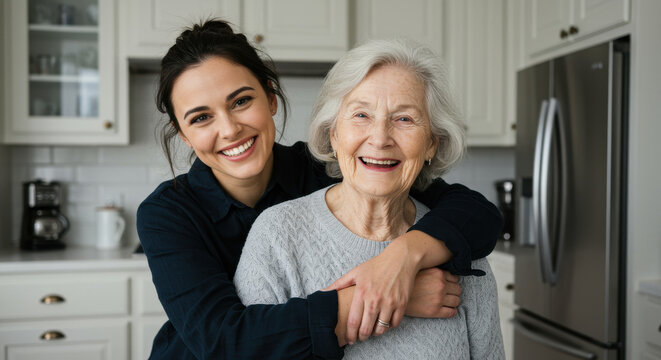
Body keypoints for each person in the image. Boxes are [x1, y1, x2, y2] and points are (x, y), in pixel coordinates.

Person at [137, 19, 503, 359]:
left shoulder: (330, 167)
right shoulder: (167, 213)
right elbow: (223, 341)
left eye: (241, 101)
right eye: (201, 118)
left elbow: (476, 214)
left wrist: (403, 258)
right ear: (183, 134)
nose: (229, 129)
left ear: (271, 98)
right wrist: (390, 297)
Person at [233, 39, 505, 359]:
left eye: (404, 118)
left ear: (432, 143)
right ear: (334, 134)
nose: (379, 138)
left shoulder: (459, 247)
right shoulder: (276, 236)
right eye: (361, 114)